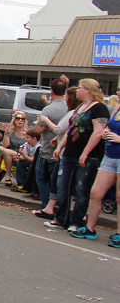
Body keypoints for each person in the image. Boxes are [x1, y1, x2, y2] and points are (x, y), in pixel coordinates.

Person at [48, 79, 108, 233]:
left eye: (80, 88)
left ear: (88, 90)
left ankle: (77, 221)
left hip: (88, 155)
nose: (77, 91)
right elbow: (71, 129)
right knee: (62, 185)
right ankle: (61, 218)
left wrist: (86, 152)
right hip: (69, 153)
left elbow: (98, 132)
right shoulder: (81, 107)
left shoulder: (99, 108)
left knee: (81, 188)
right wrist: (60, 146)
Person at [70, 99, 120, 246]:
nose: (118, 93)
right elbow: (110, 126)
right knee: (96, 193)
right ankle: (90, 229)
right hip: (110, 156)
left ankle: (119, 234)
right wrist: (107, 132)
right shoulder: (117, 107)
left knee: (119, 196)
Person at [36, 86, 79, 218]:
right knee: (56, 181)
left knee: (50, 181)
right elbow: (68, 132)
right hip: (59, 149)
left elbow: (58, 130)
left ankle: (53, 210)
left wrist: (45, 120)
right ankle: (50, 208)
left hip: (53, 151)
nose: (65, 99)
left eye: (67, 97)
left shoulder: (70, 112)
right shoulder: (71, 112)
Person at [30, 79, 68, 215]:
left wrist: (37, 124)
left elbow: (38, 130)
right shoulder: (68, 107)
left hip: (48, 149)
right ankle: (59, 207)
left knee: (43, 178)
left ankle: (47, 206)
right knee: (58, 181)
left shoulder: (48, 109)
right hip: (63, 149)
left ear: (51, 91)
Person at [0, 111, 29, 186]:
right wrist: (6, 134)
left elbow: (30, 145)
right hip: (11, 154)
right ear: (14, 120)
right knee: (0, 148)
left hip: (22, 154)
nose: (20, 120)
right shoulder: (11, 132)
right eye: (18, 118)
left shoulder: (27, 131)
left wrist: (27, 136)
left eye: (22, 119)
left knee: (7, 151)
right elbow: (5, 145)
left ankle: (7, 175)